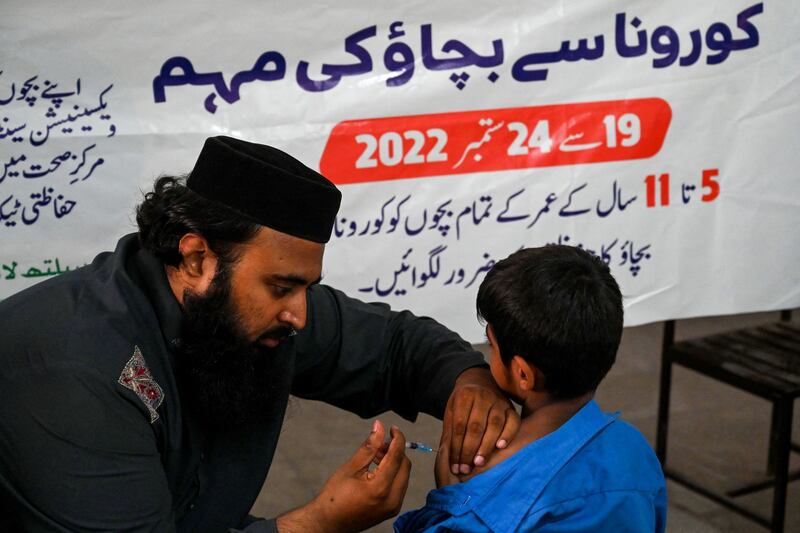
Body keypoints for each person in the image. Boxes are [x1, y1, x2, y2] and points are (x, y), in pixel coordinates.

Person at [0, 136, 521, 532]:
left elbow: (395, 345)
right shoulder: (76, 367)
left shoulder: (250, 314)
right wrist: (318, 523)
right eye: (281, 287)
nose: (299, 314)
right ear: (198, 257)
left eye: (306, 288)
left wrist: (467, 382)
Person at [394, 245, 667, 532]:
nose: (489, 355)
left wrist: (450, 501)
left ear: (523, 374)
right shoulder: (635, 452)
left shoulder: (479, 498)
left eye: (491, 344)